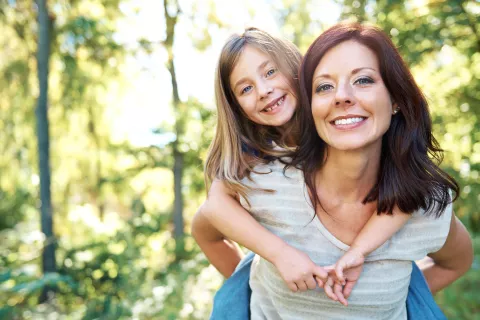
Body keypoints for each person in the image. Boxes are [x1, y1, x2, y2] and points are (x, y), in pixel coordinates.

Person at [191, 26, 462, 318]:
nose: (264, 90)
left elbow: (406, 189)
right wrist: (269, 269)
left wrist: (396, 293)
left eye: (270, 72)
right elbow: (215, 207)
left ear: (299, 72)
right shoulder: (257, 160)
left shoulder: (357, 137)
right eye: (245, 88)